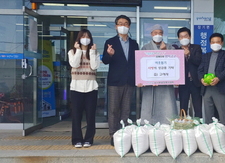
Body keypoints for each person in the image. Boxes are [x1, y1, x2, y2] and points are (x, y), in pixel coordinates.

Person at [102, 15, 139, 146]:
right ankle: (113, 135)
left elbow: (137, 63)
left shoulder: (134, 43)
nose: (123, 25)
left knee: (126, 110)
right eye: (120, 23)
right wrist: (109, 54)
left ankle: (124, 134)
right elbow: (105, 61)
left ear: (129, 26)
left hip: (130, 81)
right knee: (113, 110)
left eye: (125, 23)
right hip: (115, 81)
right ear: (116, 26)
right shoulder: (110, 42)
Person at [198, 33, 225, 148]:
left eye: (217, 42)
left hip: (220, 88)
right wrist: (201, 79)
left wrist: (218, 78)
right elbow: (200, 70)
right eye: (213, 42)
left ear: (222, 43)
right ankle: (209, 139)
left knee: (223, 115)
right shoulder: (205, 56)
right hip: (207, 89)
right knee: (208, 115)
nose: (215, 44)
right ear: (210, 43)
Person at [139, 24, 178, 125]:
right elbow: (141, 65)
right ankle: (149, 124)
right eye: (155, 33)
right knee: (149, 107)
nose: (158, 35)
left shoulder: (170, 47)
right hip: (150, 86)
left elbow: (173, 63)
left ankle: (168, 124)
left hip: (166, 85)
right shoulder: (145, 48)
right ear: (151, 34)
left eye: (160, 33)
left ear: (163, 34)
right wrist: (142, 80)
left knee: (167, 105)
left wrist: (165, 51)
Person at [68, 29, 100, 148]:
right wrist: (79, 51)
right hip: (76, 88)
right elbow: (74, 64)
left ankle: (89, 139)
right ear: (79, 38)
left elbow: (94, 66)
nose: (85, 38)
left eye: (87, 36)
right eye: (83, 36)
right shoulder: (72, 52)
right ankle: (76, 139)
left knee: (90, 116)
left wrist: (92, 52)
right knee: (76, 115)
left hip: (91, 88)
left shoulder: (94, 52)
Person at [176, 27, 202, 118]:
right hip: (183, 82)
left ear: (190, 36)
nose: (184, 38)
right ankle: (183, 124)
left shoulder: (196, 48)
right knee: (183, 104)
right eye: (181, 36)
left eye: (185, 36)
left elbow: (199, 61)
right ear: (179, 38)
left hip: (195, 81)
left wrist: (189, 55)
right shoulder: (176, 50)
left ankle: (199, 125)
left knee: (197, 105)